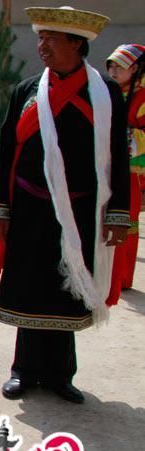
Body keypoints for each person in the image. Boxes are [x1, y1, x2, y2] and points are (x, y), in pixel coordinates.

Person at [0, 6, 129, 404]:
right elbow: (7, 150)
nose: (42, 45)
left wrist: (119, 213)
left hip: (81, 210)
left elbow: (117, 152)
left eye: (51, 38)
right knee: (31, 286)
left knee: (67, 289)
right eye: (41, 37)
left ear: (76, 44)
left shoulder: (105, 94)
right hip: (31, 206)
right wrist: (1, 207)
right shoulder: (27, 90)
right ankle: (23, 371)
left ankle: (59, 374)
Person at [105, 44, 145, 300]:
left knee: (125, 221)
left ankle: (120, 277)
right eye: (111, 65)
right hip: (105, 164)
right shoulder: (107, 92)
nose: (113, 70)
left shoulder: (142, 98)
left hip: (130, 168)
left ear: (137, 69)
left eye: (120, 65)